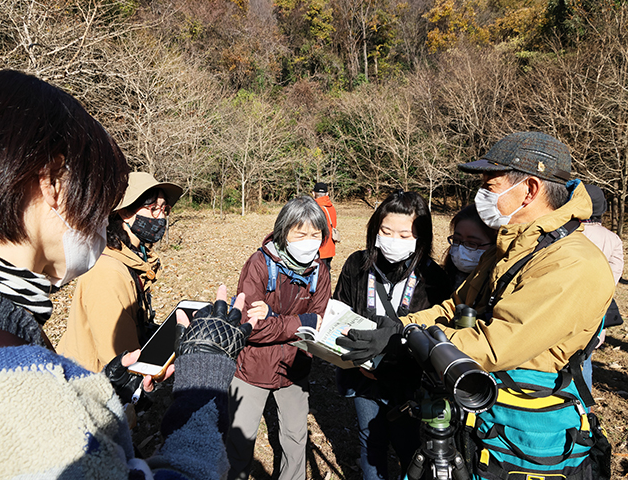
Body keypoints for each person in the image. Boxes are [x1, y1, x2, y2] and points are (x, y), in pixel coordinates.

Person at [0, 69, 253, 479]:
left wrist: (102, 390)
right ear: (53, 182)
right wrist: (204, 382)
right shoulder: (5, 363)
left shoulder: (13, 324)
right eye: (99, 201)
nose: (101, 221)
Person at [337, 132, 615, 479]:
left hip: (524, 426)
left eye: (490, 185)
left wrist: (404, 340)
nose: (480, 195)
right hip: (480, 407)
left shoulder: (572, 263)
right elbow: (457, 307)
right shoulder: (511, 247)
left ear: (529, 190)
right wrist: (398, 325)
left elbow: (496, 344)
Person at [333, 190, 452, 480]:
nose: (392, 241)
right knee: (370, 441)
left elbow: (436, 335)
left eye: (403, 234)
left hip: (410, 386)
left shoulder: (433, 279)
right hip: (364, 378)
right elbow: (338, 315)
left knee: (409, 445)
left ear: (420, 238)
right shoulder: (356, 266)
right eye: (386, 231)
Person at [227, 195, 332, 480]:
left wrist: (273, 316)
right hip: (253, 368)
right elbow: (251, 326)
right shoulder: (259, 264)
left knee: (296, 439)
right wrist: (301, 321)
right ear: (284, 232)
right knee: (240, 441)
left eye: (316, 234)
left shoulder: (320, 271)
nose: (309, 240)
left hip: (296, 366)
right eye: (301, 233)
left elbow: (319, 321)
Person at [58, 171, 183, 372]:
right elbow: (119, 358)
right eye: (152, 209)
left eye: (164, 208)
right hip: (92, 385)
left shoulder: (133, 259)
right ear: (124, 212)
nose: (161, 217)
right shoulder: (109, 272)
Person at [581, 184, 625, 387]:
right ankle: (584, 404)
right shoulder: (612, 239)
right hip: (596, 307)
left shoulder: (564, 233)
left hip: (564, 303)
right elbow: (614, 276)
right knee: (586, 357)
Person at [443, 204, 496, 290]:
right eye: (456, 240)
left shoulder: (494, 290)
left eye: (472, 243)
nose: (461, 249)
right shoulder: (440, 279)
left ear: (494, 245)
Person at [312, 182, 338, 269]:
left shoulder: (313, 208)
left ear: (313, 193)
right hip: (330, 247)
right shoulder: (332, 207)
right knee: (326, 273)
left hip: (318, 248)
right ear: (327, 194)